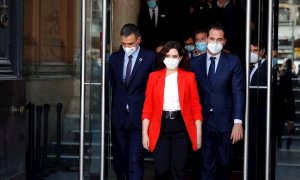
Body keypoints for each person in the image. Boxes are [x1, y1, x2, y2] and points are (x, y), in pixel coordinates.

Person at [190, 23, 245, 180]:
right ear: (206, 39)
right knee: (205, 165)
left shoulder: (233, 61)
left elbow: (238, 92)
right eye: (212, 39)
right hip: (203, 121)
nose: (215, 43)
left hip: (226, 122)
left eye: (219, 40)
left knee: (225, 163)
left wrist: (238, 122)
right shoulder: (194, 63)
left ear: (225, 41)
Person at [142, 41, 203, 180]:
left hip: (181, 127)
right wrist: (144, 134)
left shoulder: (189, 77)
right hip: (160, 126)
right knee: (161, 170)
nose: (171, 59)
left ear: (181, 58)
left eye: (174, 56)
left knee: (179, 170)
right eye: (167, 55)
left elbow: (196, 107)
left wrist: (198, 134)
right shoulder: (153, 77)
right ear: (163, 57)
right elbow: (148, 106)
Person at [108, 23, 156, 180]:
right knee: (120, 158)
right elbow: (113, 85)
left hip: (140, 115)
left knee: (135, 159)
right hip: (119, 115)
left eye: (130, 43)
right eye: (123, 43)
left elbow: (153, 88)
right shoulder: (114, 58)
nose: (127, 47)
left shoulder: (150, 58)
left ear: (139, 40)